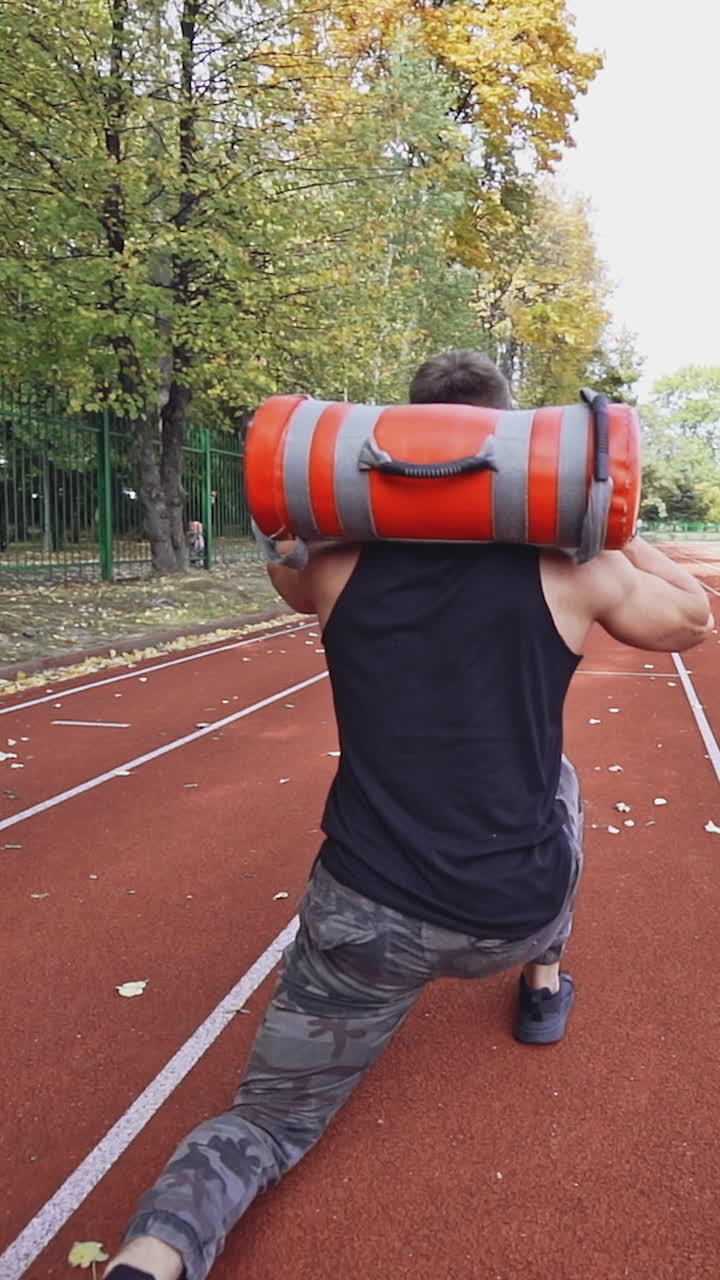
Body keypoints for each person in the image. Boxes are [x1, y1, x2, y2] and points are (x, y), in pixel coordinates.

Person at [104, 350, 712, 1280]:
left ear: (403, 436)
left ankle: (151, 1258)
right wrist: (605, 519)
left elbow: (286, 561)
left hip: (365, 919)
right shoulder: (572, 570)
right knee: (560, 786)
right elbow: (692, 619)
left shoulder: (338, 564)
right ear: (508, 438)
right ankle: (543, 986)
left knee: (265, 1123)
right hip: (517, 906)